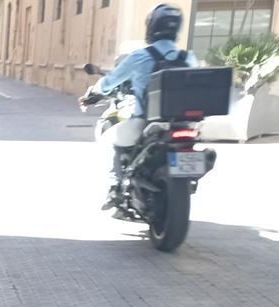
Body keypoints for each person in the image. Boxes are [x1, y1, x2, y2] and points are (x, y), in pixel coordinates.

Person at [79, 3, 195, 209]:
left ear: (151, 27)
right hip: (184, 122)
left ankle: (115, 186)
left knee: (113, 139)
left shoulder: (141, 56)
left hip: (145, 122)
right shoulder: (188, 57)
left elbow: (110, 81)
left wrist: (93, 93)